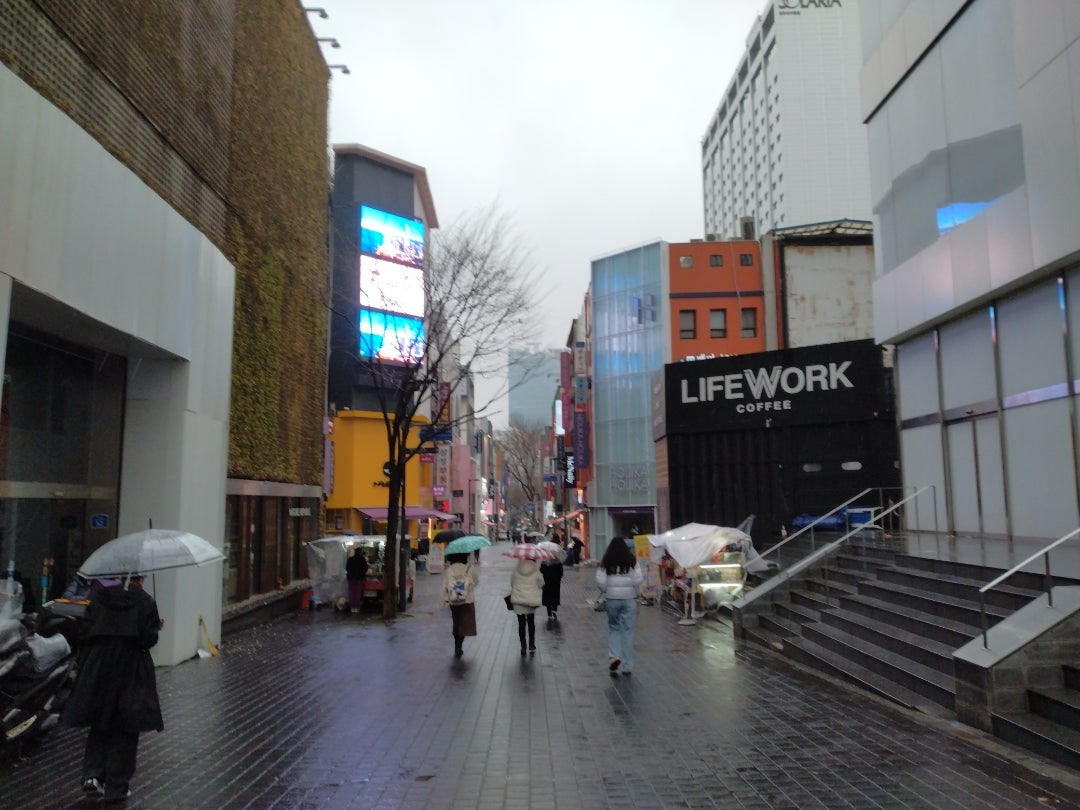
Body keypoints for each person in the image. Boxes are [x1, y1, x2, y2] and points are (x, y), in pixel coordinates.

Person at [61, 575, 164, 804]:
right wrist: (156, 626)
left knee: (101, 720)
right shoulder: (146, 601)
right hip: (131, 668)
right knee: (127, 725)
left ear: (119, 575)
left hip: (99, 666)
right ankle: (117, 786)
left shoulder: (100, 597)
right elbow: (148, 639)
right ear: (141, 577)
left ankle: (93, 776)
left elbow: (85, 630)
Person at [597, 536, 643, 677]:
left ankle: (614, 656)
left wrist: (606, 590)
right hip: (629, 599)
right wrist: (630, 586)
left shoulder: (606, 561)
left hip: (612, 599)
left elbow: (600, 580)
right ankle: (627, 666)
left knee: (614, 628)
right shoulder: (632, 560)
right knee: (628, 631)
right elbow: (638, 579)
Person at [441, 552, 479, 658]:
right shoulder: (469, 568)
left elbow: (445, 584)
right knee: (465, 624)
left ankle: (456, 645)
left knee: (456, 623)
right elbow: (476, 582)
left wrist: (443, 599)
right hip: (467, 601)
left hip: (453, 600)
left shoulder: (450, 569)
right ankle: (459, 645)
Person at [509, 556, 543, 655]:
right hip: (531, 600)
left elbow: (512, 583)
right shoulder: (536, 570)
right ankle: (531, 644)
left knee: (521, 624)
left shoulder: (517, 569)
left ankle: (523, 646)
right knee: (531, 622)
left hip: (519, 600)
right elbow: (541, 584)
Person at [346, 546, 369, 613]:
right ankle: (356, 607)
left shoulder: (350, 559)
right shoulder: (362, 559)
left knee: (351, 593)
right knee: (358, 593)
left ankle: (352, 607)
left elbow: (347, 568)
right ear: (360, 552)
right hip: (359, 578)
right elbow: (365, 568)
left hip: (351, 578)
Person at [540, 555, 564, 622]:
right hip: (555, 583)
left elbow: (541, 570)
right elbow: (561, 572)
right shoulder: (558, 561)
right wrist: (558, 578)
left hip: (546, 582)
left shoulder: (544, 561)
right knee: (555, 597)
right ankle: (554, 611)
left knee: (548, 598)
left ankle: (549, 614)